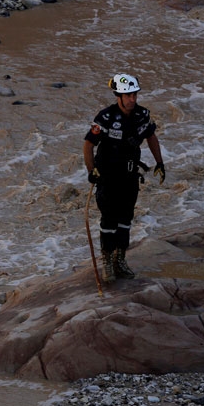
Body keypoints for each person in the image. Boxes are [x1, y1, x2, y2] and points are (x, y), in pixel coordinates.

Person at [83, 72, 166, 281]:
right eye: (128, 96)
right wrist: (91, 170)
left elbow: (151, 137)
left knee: (125, 219)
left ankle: (121, 260)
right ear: (118, 96)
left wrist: (160, 163)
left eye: (135, 95)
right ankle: (107, 262)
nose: (132, 100)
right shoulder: (106, 117)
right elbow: (88, 145)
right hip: (108, 177)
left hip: (129, 176)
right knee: (109, 220)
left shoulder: (142, 115)